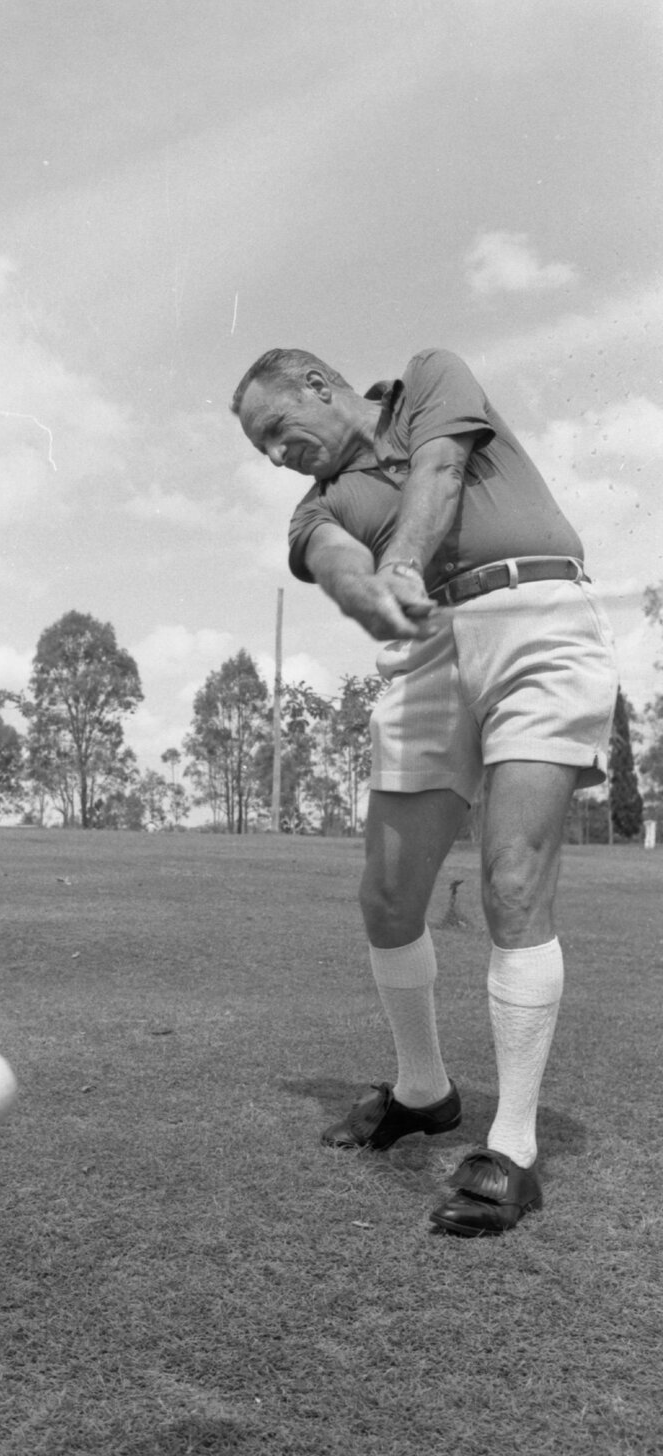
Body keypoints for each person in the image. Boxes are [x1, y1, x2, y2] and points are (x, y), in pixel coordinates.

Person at [231, 347, 618, 1237]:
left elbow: (441, 469)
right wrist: (370, 589)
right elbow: (330, 556)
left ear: (320, 388)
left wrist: (401, 560)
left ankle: (512, 1147)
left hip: (539, 622)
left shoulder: (430, 380)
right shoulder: (317, 506)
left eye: (276, 431)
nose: (275, 455)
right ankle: (423, 1089)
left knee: (512, 882)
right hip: (429, 650)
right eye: (262, 450)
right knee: (388, 898)